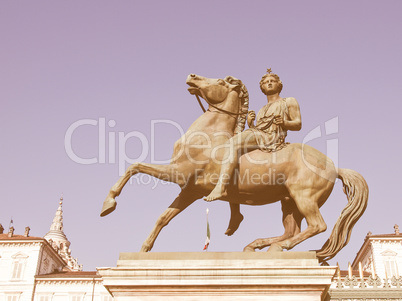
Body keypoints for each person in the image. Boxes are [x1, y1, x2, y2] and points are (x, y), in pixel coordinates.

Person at [204, 69, 302, 235]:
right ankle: (235, 212)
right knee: (236, 163)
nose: (269, 83)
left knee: (232, 144)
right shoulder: (263, 108)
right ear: (262, 88)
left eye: (272, 80)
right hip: (259, 136)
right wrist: (251, 123)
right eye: (265, 82)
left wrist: (284, 122)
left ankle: (220, 187)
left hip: (271, 138)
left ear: (279, 85)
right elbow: (257, 130)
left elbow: (298, 124)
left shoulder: (289, 101)